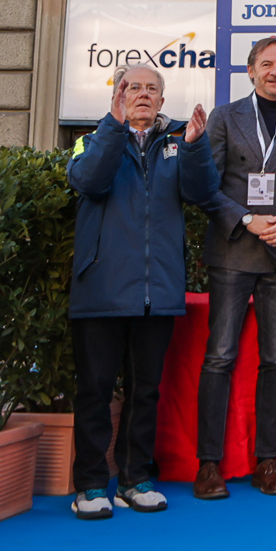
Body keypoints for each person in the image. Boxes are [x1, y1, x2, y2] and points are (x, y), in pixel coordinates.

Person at [64, 66, 215, 519]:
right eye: (134, 88)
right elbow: (88, 180)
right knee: (94, 389)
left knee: (145, 391)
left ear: (163, 99)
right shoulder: (93, 138)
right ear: (118, 94)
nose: (143, 95)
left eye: (153, 89)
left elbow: (203, 192)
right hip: (101, 292)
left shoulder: (176, 142)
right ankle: (90, 485)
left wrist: (195, 147)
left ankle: (134, 478)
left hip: (157, 291)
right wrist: (113, 126)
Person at [194, 35, 276, 500]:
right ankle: (208, 464)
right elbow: (206, 187)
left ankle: (268, 461)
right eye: (268, 64)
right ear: (251, 70)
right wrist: (247, 219)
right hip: (234, 250)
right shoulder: (225, 116)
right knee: (220, 357)